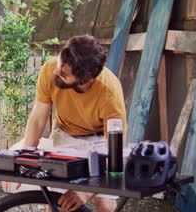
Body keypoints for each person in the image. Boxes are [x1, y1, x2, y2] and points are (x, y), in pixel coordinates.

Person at [21, 35, 127, 212]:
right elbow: (38, 119)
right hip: (64, 134)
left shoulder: (109, 93)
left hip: (101, 141)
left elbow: (115, 156)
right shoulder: (50, 69)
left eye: (63, 73)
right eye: (59, 64)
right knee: (59, 204)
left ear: (85, 79)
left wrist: (86, 192)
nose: (56, 71)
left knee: (105, 205)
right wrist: (24, 158)